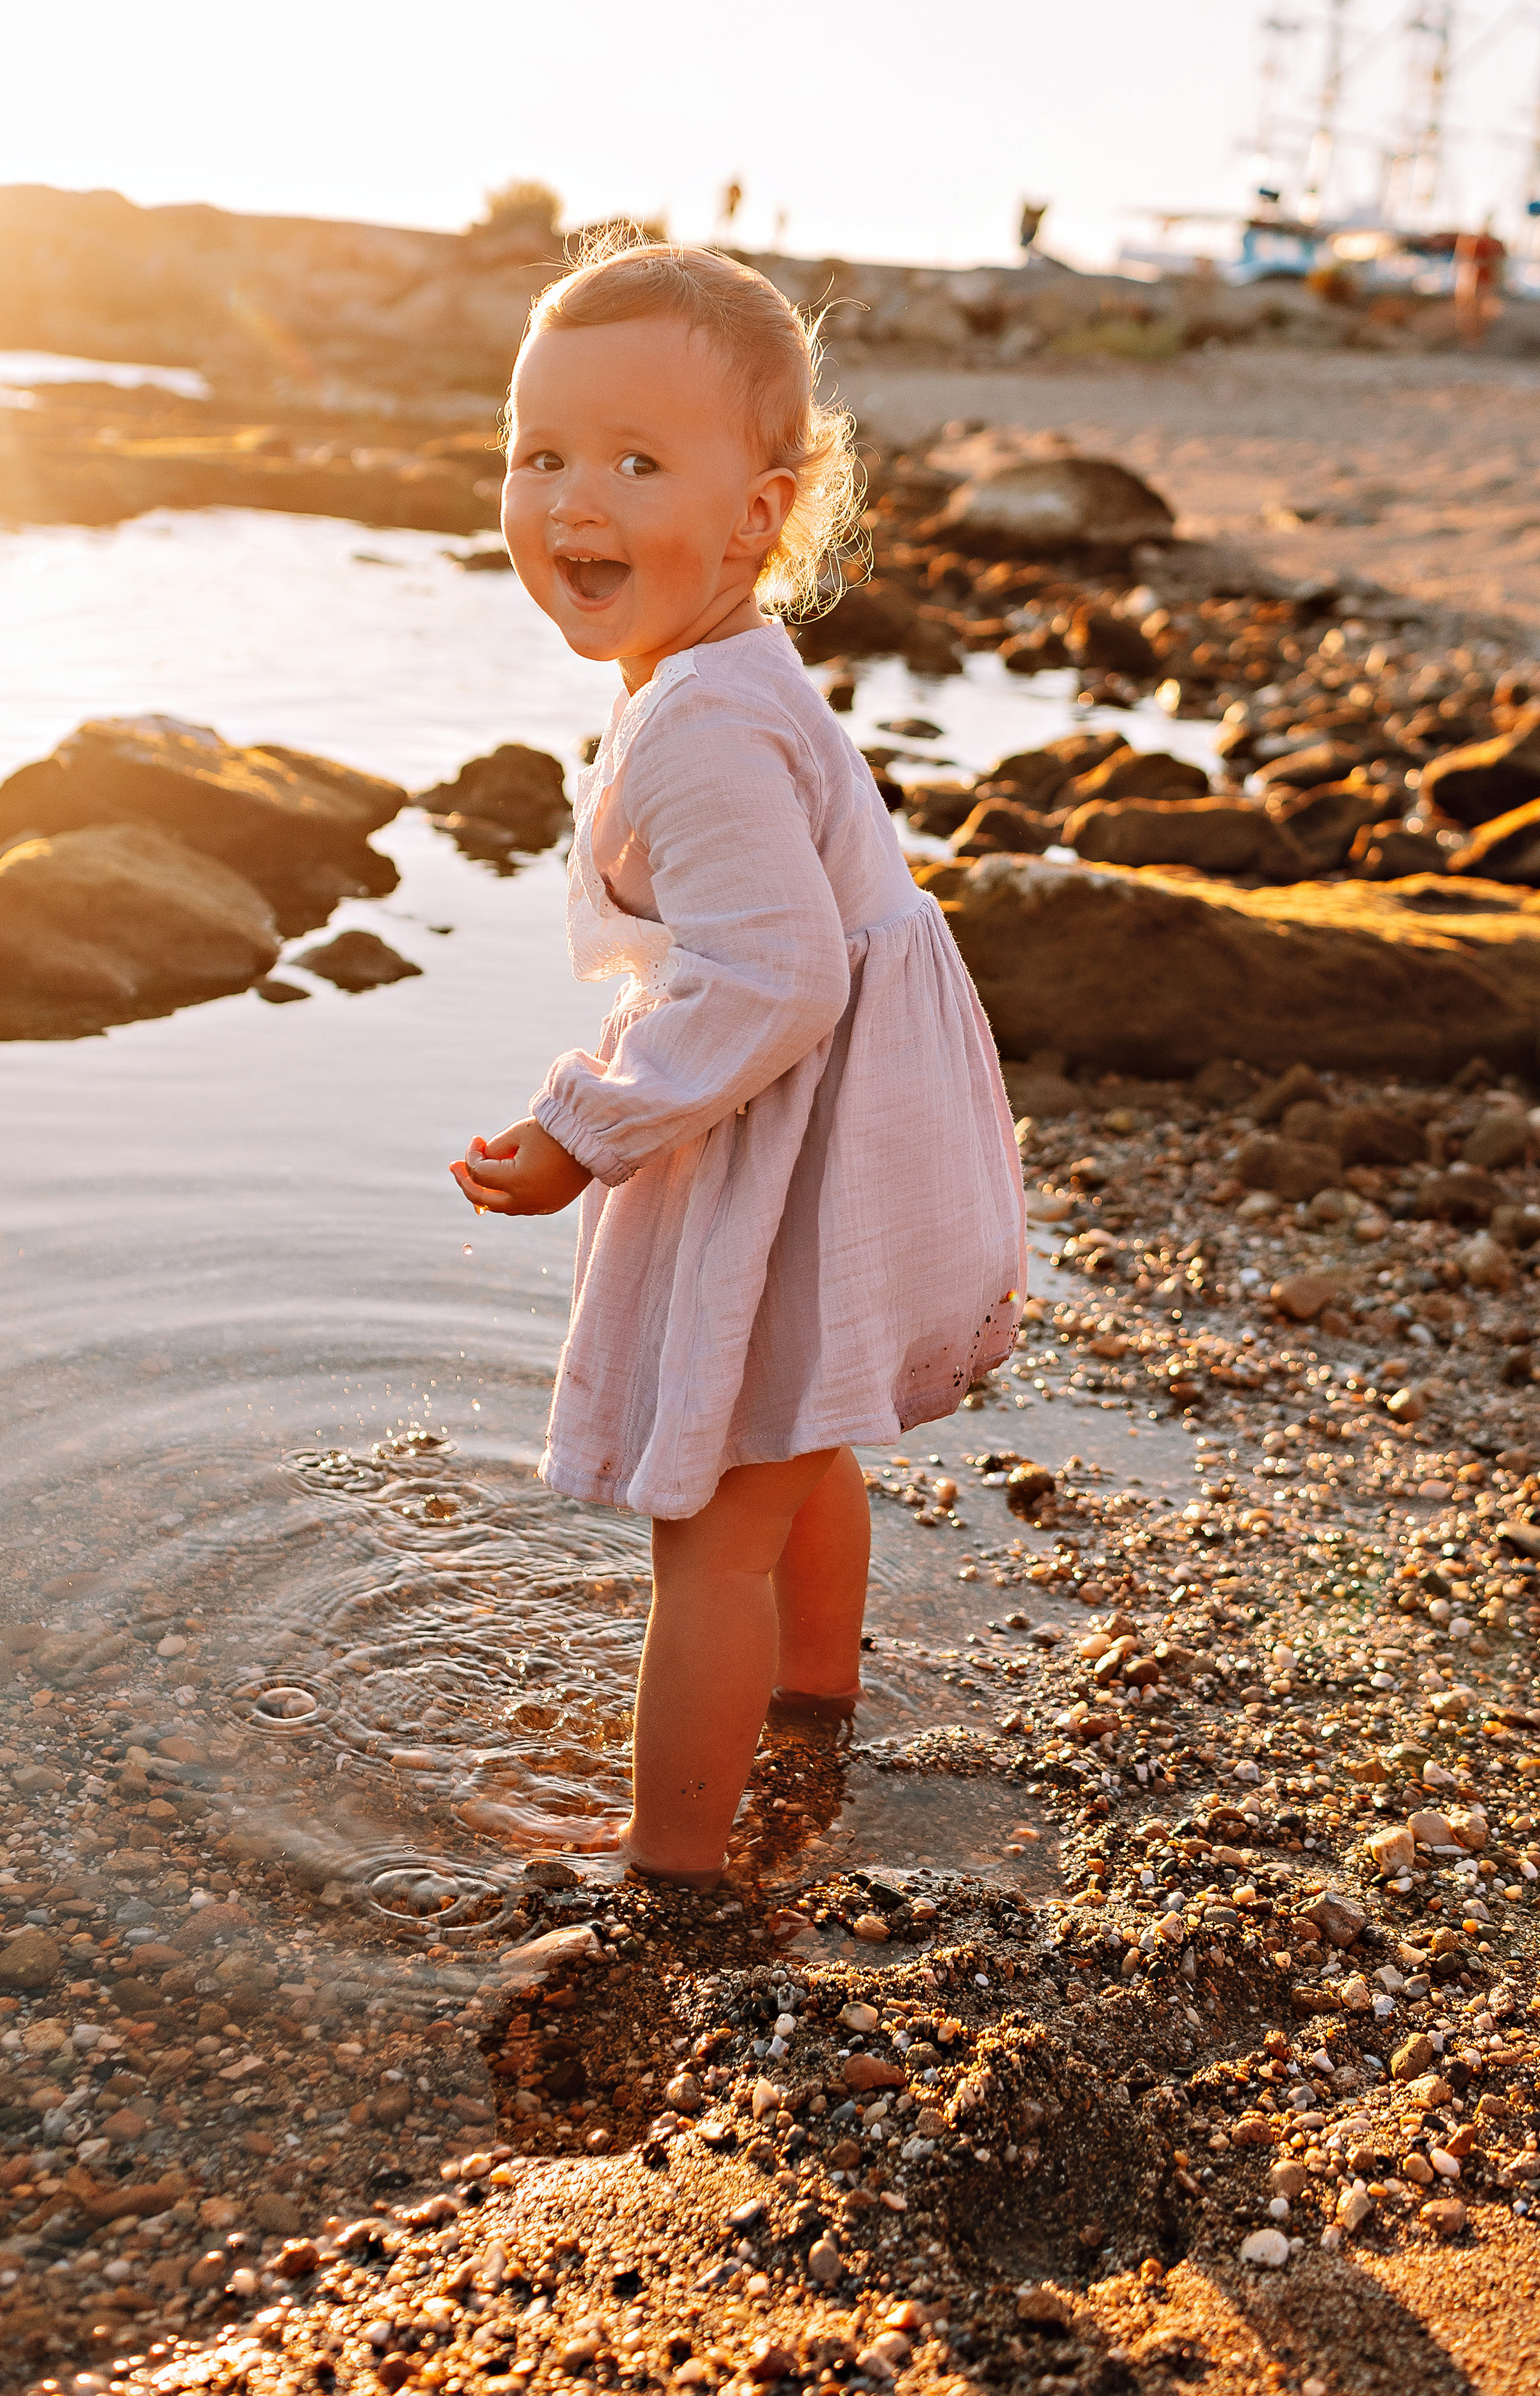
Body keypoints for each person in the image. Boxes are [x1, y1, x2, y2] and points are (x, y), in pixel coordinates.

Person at [451, 240, 1025, 1886]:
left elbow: (769, 979)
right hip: (849, 1136)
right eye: (540, 454)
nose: (575, 500)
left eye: (638, 462)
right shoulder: (722, 676)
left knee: (706, 1533)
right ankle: (813, 1718)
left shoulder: (694, 721)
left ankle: (671, 1871)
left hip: (803, 1129)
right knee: (796, 1434)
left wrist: (585, 1127)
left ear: (759, 512)